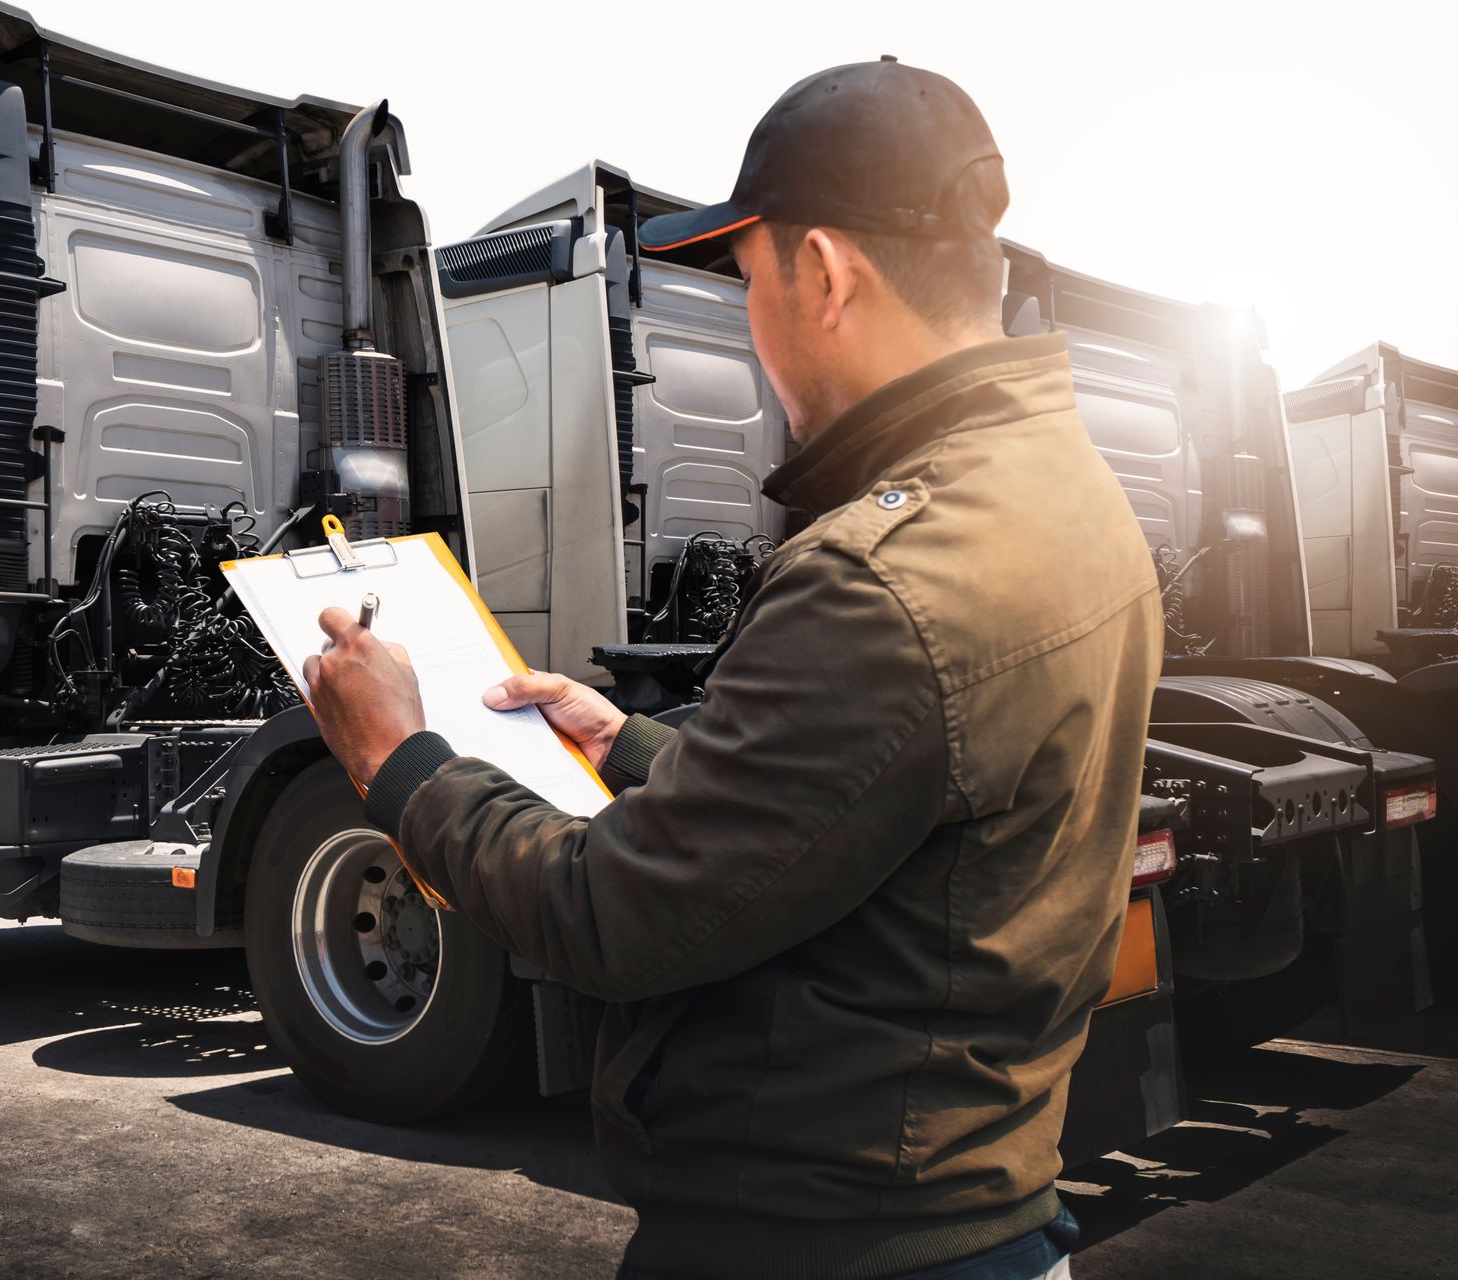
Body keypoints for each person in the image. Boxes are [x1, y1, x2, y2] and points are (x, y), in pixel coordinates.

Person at [300, 59, 1161, 1280]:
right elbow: (903, 790)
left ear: (825, 272)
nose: (751, 322)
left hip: (826, 1242)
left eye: (749, 278)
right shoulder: (1067, 497)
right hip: (973, 1205)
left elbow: (616, 914)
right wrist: (631, 745)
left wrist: (400, 762)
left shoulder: (880, 578)